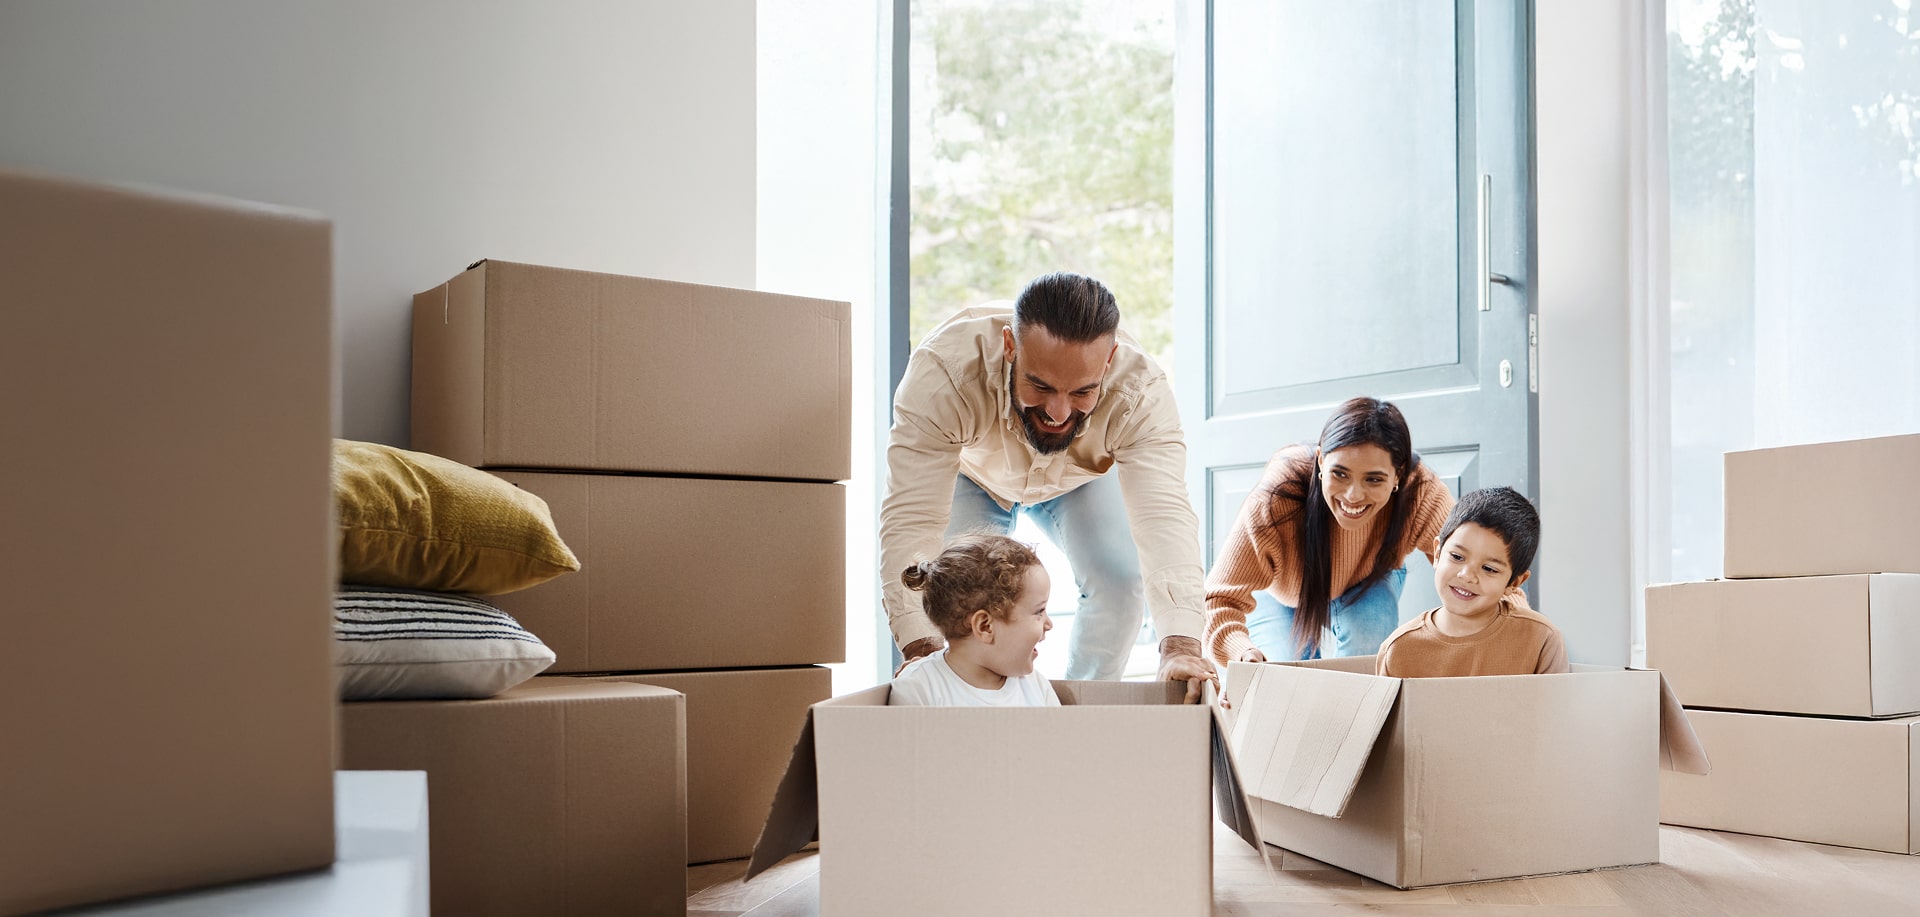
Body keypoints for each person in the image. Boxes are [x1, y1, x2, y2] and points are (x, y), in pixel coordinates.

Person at [879, 271, 1215, 698]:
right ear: (1010, 346)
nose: (1058, 412)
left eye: (1082, 392)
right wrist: (921, 650)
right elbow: (912, 518)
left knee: (1119, 579)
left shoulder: (1141, 393)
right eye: (1040, 386)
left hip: (1079, 478)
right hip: (974, 475)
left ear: (1109, 361)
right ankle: (976, 709)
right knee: (965, 604)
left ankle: (1083, 711)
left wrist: (1181, 647)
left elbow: (1164, 518)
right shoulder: (944, 373)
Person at [1204, 397, 1528, 664]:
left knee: (1367, 643)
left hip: (1369, 579)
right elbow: (1219, 599)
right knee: (1283, 675)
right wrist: (1241, 651)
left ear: (1398, 475)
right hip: (1283, 593)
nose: (1353, 496)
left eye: (1374, 479)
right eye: (1340, 474)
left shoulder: (1419, 492)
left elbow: (1483, 567)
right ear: (1320, 462)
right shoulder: (1280, 493)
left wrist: (1522, 634)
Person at [1375, 487, 1568, 677]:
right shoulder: (1398, 649)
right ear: (1437, 553)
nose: (1467, 575)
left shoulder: (1542, 640)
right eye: (1457, 557)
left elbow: (1556, 699)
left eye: (1489, 569)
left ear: (1514, 583)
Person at [889, 534, 1061, 706]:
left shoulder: (1037, 688)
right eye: (1039, 611)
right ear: (985, 626)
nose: (1049, 624)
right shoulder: (918, 688)